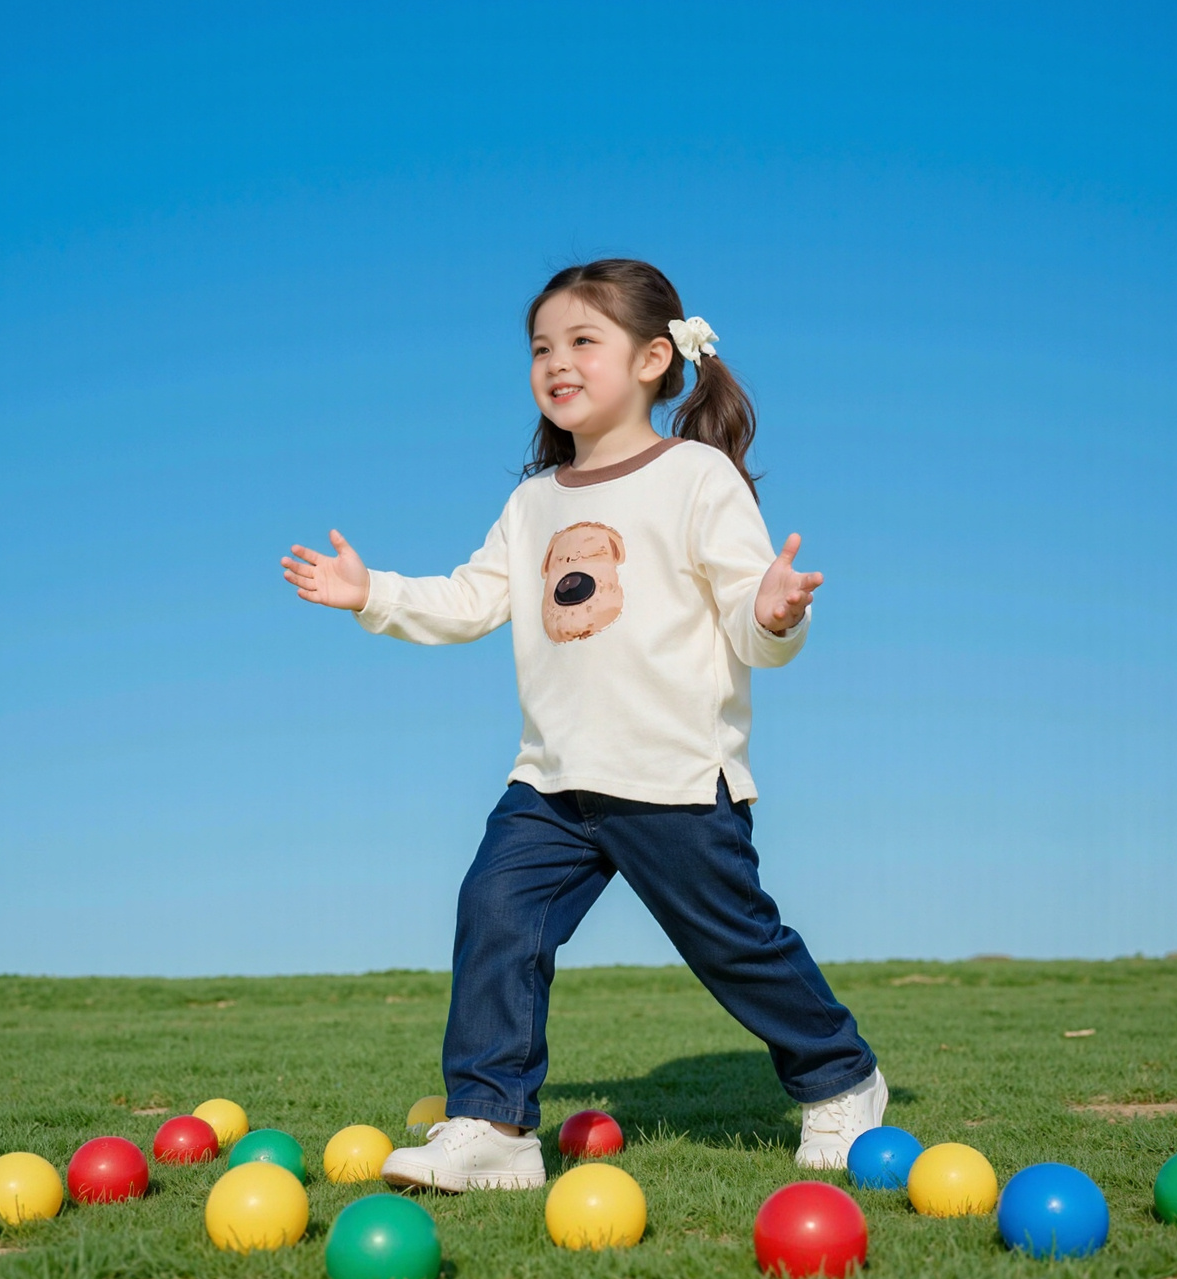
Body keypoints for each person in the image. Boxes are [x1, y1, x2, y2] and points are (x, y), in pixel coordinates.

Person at [281, 258, 883, 1192]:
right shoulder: (533, 502)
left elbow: (748, 623)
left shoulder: (697, 476)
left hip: (675, 777)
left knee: (733, 944)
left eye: (582, 341)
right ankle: (493, 1125)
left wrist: (771, 613)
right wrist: (375, 594)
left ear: (653, 359)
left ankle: (841, 1077)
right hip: (551, 781)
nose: (556, 362)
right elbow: (473, 598)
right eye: (540, 348)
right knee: (495, 912)